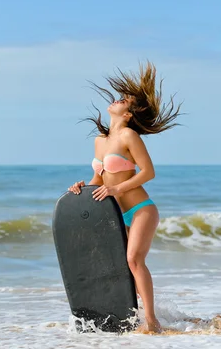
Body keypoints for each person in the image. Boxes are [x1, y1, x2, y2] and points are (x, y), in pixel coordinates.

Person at [67, 61, 183, 333]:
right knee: (122, 267)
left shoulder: (130, 136)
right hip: (116, 213)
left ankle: (152, 321)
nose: (117, 100)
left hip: (141, 209)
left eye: (124, 101)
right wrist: (81, 187)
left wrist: (117, 190)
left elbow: (148, 172)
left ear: (129, 114)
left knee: (133, 261)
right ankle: (133, 316)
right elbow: (100, 178)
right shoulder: (100, 140)